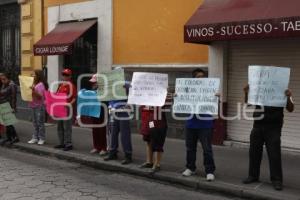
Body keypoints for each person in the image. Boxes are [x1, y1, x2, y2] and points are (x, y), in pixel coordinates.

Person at [242, 85, 294, 191]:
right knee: (254, 152)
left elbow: (291, 108)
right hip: (258, 125)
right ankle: (253, 176)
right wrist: (246, 92)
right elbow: (249, 103)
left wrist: (289, 97)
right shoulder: (260, 90)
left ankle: (277, 180)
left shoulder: (283, 91)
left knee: (274, 154)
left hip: (273, 127)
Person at [181, 68, 217, 181]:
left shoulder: (210, 90)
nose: (201, 79)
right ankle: (190, 168)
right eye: (198, 77)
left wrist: (217, 97)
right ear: (193, 79)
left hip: (205, 124)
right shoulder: (188, 90)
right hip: (191, 124)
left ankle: (210, 171)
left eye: (203, 77)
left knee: (207, 149)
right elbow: (181, 101)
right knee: (190, 148)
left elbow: (215, 104)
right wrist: (178, 96)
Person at [104, 75, 132, 165]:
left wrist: (129, 103)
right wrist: (110, 106)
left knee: (125, 134)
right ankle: (113, 152)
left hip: (123, 111)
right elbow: (110, 97)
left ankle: (128, 155)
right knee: (113, 133)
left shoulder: (127, 84)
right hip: (113, 111)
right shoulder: (112, 85)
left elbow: (134, 93)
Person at [82, 74, 108, 156]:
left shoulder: (104, 90)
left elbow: (105, 102)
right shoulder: (92, 90)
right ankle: (97, 147)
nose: (93, 84)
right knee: (95, 130)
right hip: (94, 111)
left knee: (102, 130)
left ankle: (103, 148)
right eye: (92, 83)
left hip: (101, 111)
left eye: (95, 82)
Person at [139, 104, 169, 173]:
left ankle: (157, 164)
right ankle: (149, 162)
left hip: (157, 122)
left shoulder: (162, 94)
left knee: (157, 142)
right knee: (148, 140)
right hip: (147, 120)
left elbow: (166, 104)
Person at [54, 68, 77, 151]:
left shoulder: (71, 85)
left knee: (67, 127)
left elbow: (74, 98)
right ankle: (61, 143)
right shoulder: (61, 85)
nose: (65, 76)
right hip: (59, 108)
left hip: (67, 108)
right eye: (63, 74)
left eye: (67, 75)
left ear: (70, 76)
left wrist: (68, 105)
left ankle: (68, 144)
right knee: (59, 126)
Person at [27, 70, 48, 145]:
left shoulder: (40, 85)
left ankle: (42, 138)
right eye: (31, 75)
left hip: (39, 106)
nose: (32, 76)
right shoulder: (33, 84)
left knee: (40, 123)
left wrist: (33, 91)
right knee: (34, 123)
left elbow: (40, 97)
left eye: (34, 75)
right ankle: (35, 137)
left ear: (38, 76)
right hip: (33, 105)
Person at [0, 72, 19, 145]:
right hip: (3, 105)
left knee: (9, 123)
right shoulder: (4, 85)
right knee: (6, 123)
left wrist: (13, 107)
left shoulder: (12, 85)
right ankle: (9, 137)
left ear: (8, 79)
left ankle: (15, 137)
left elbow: (14, 97)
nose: (2, 81)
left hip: (9, 106)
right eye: (1, 79)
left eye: (4, 79)